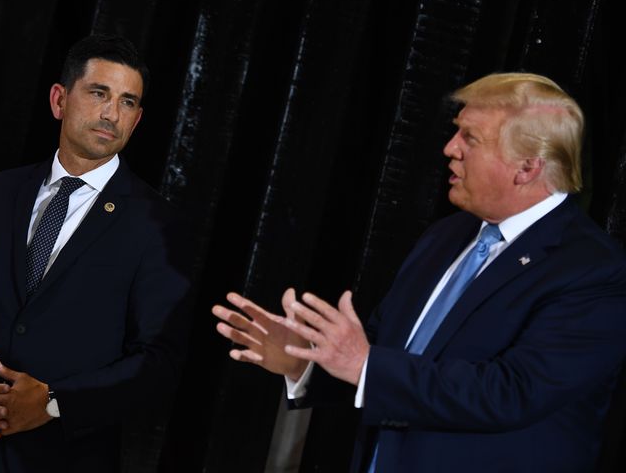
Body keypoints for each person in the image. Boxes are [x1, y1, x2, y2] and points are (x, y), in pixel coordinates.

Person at [213, 72, 626, 472]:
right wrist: (305, 360)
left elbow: (512, 393)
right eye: (455, 132)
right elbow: (384, 355)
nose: (450, 148)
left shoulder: (594, 270)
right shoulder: (448, 235)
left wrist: (362, 364)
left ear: (526, 168)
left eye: (470, 138)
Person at [0, 34, 193, 472]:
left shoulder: (157, 226)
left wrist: (52, 404)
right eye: (99, 93)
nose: (110, 113)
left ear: (137, 120)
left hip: (63, 458)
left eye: (127, 102)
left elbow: (157, 363)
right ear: (59, 99)